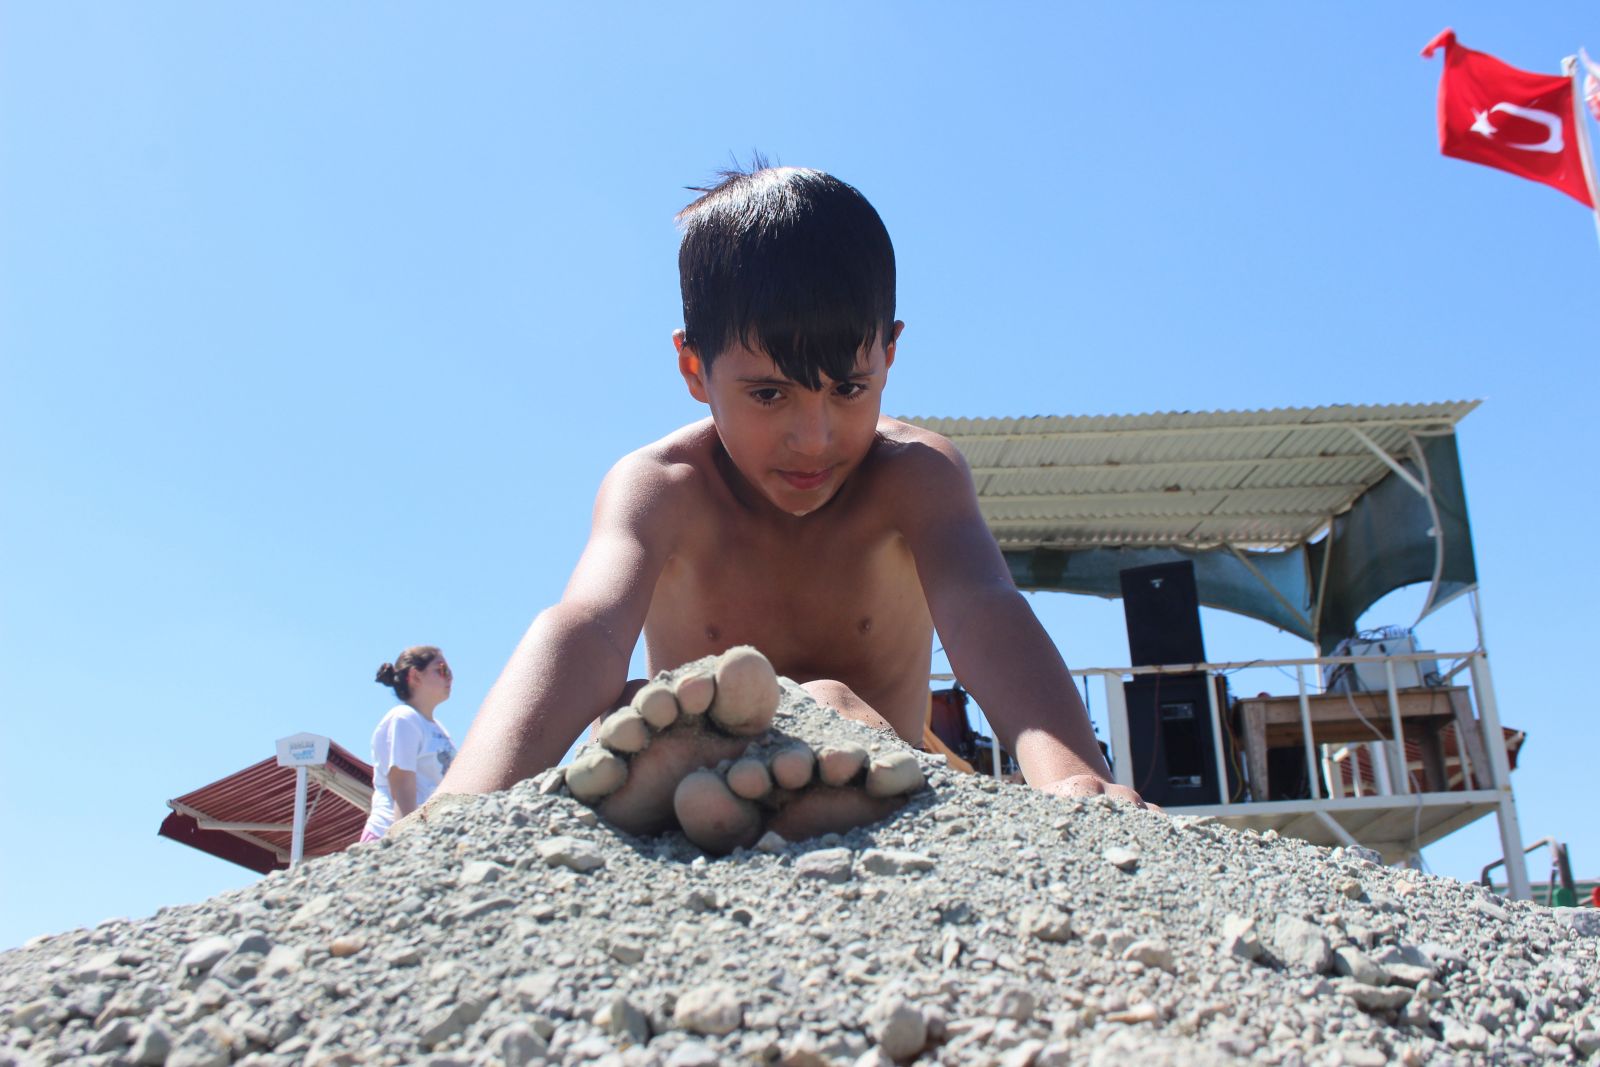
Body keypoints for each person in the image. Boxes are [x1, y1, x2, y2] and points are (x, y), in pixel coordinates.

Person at [436, 164, 1145, 850]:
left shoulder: (915, 477)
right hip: (694, 770)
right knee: (639, 705)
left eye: (848, 389)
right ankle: (709, 776)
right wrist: (463, 802)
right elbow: (587, 627)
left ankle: (780, 779)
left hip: (869, 773)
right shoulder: (662, 484)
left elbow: (984, 608)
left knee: (827, 701)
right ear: (694, 368)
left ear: (890, 354)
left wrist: (1072, 774)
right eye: (769, 395)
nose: (814, 438)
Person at [361, 645, 457, 841]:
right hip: (389, 836)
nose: (449, 677)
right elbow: (402, 787)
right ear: (415, 676)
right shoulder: (404, 719)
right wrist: (405, 844)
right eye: (441, 670)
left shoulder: (438, 728)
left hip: (424, 834)